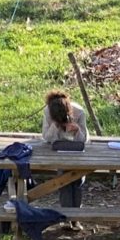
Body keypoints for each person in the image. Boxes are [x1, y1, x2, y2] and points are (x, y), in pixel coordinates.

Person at [42, 90, 90, 228]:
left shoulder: (79, 112)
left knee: (78, 181)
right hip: (59, 149)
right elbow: (46, 137)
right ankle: (66, 217)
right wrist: (55, 125)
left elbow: (84, 140)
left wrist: (77, 131)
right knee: (64, 181)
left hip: (77, 150)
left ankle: (76, 217)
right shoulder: (47, 112)